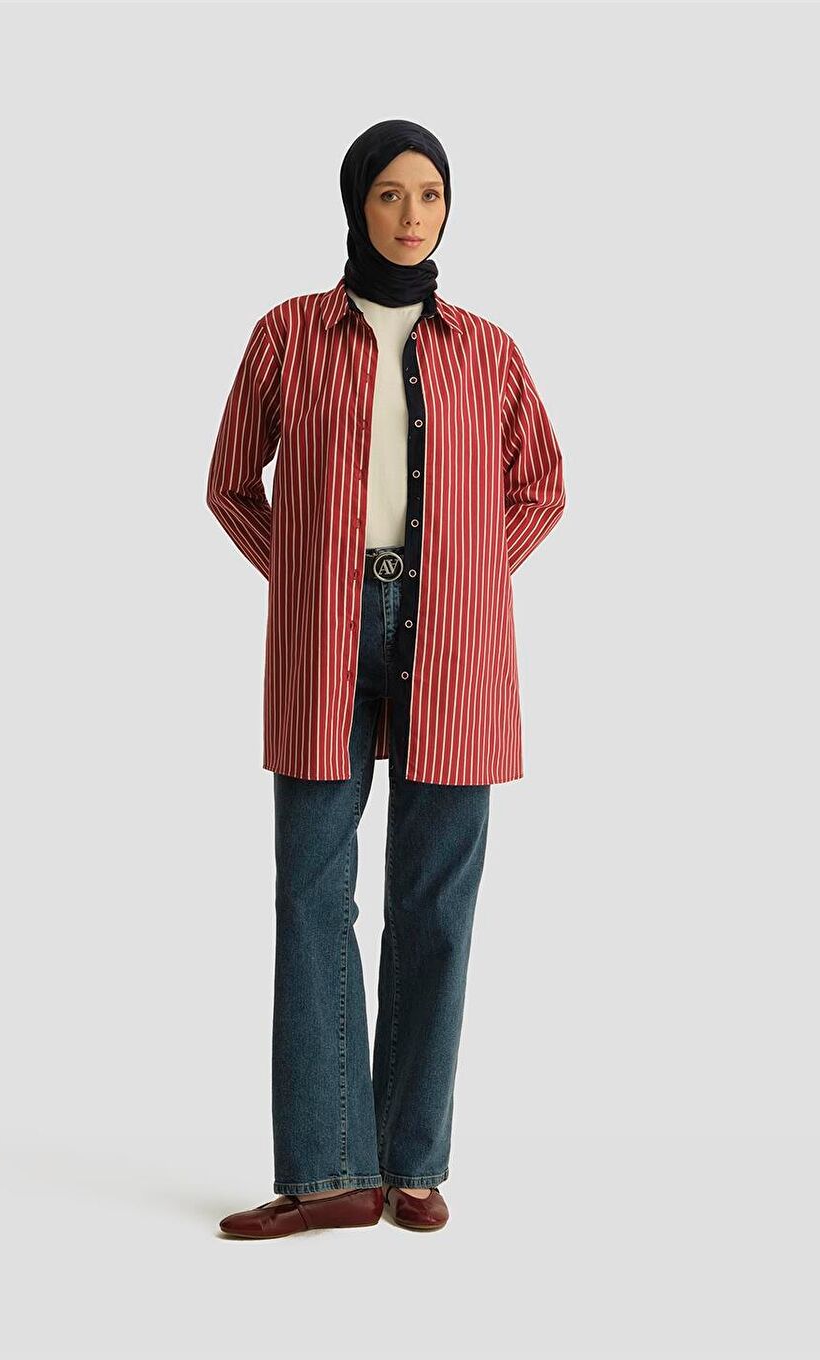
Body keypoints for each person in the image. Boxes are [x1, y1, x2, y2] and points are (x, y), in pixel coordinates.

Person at [207, 119, 566, 1239]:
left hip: (455, 640)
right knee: (311, 892)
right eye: (390, 194)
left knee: (434, 900)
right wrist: (308, 579)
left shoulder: (488, 349)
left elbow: (542, 484)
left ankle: (411, 1164)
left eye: (431, 194)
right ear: (356, 204)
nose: (412, 215)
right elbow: (231, 483)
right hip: (325, 636)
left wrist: (469, 577)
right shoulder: (287, 334)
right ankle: (331, 1172)